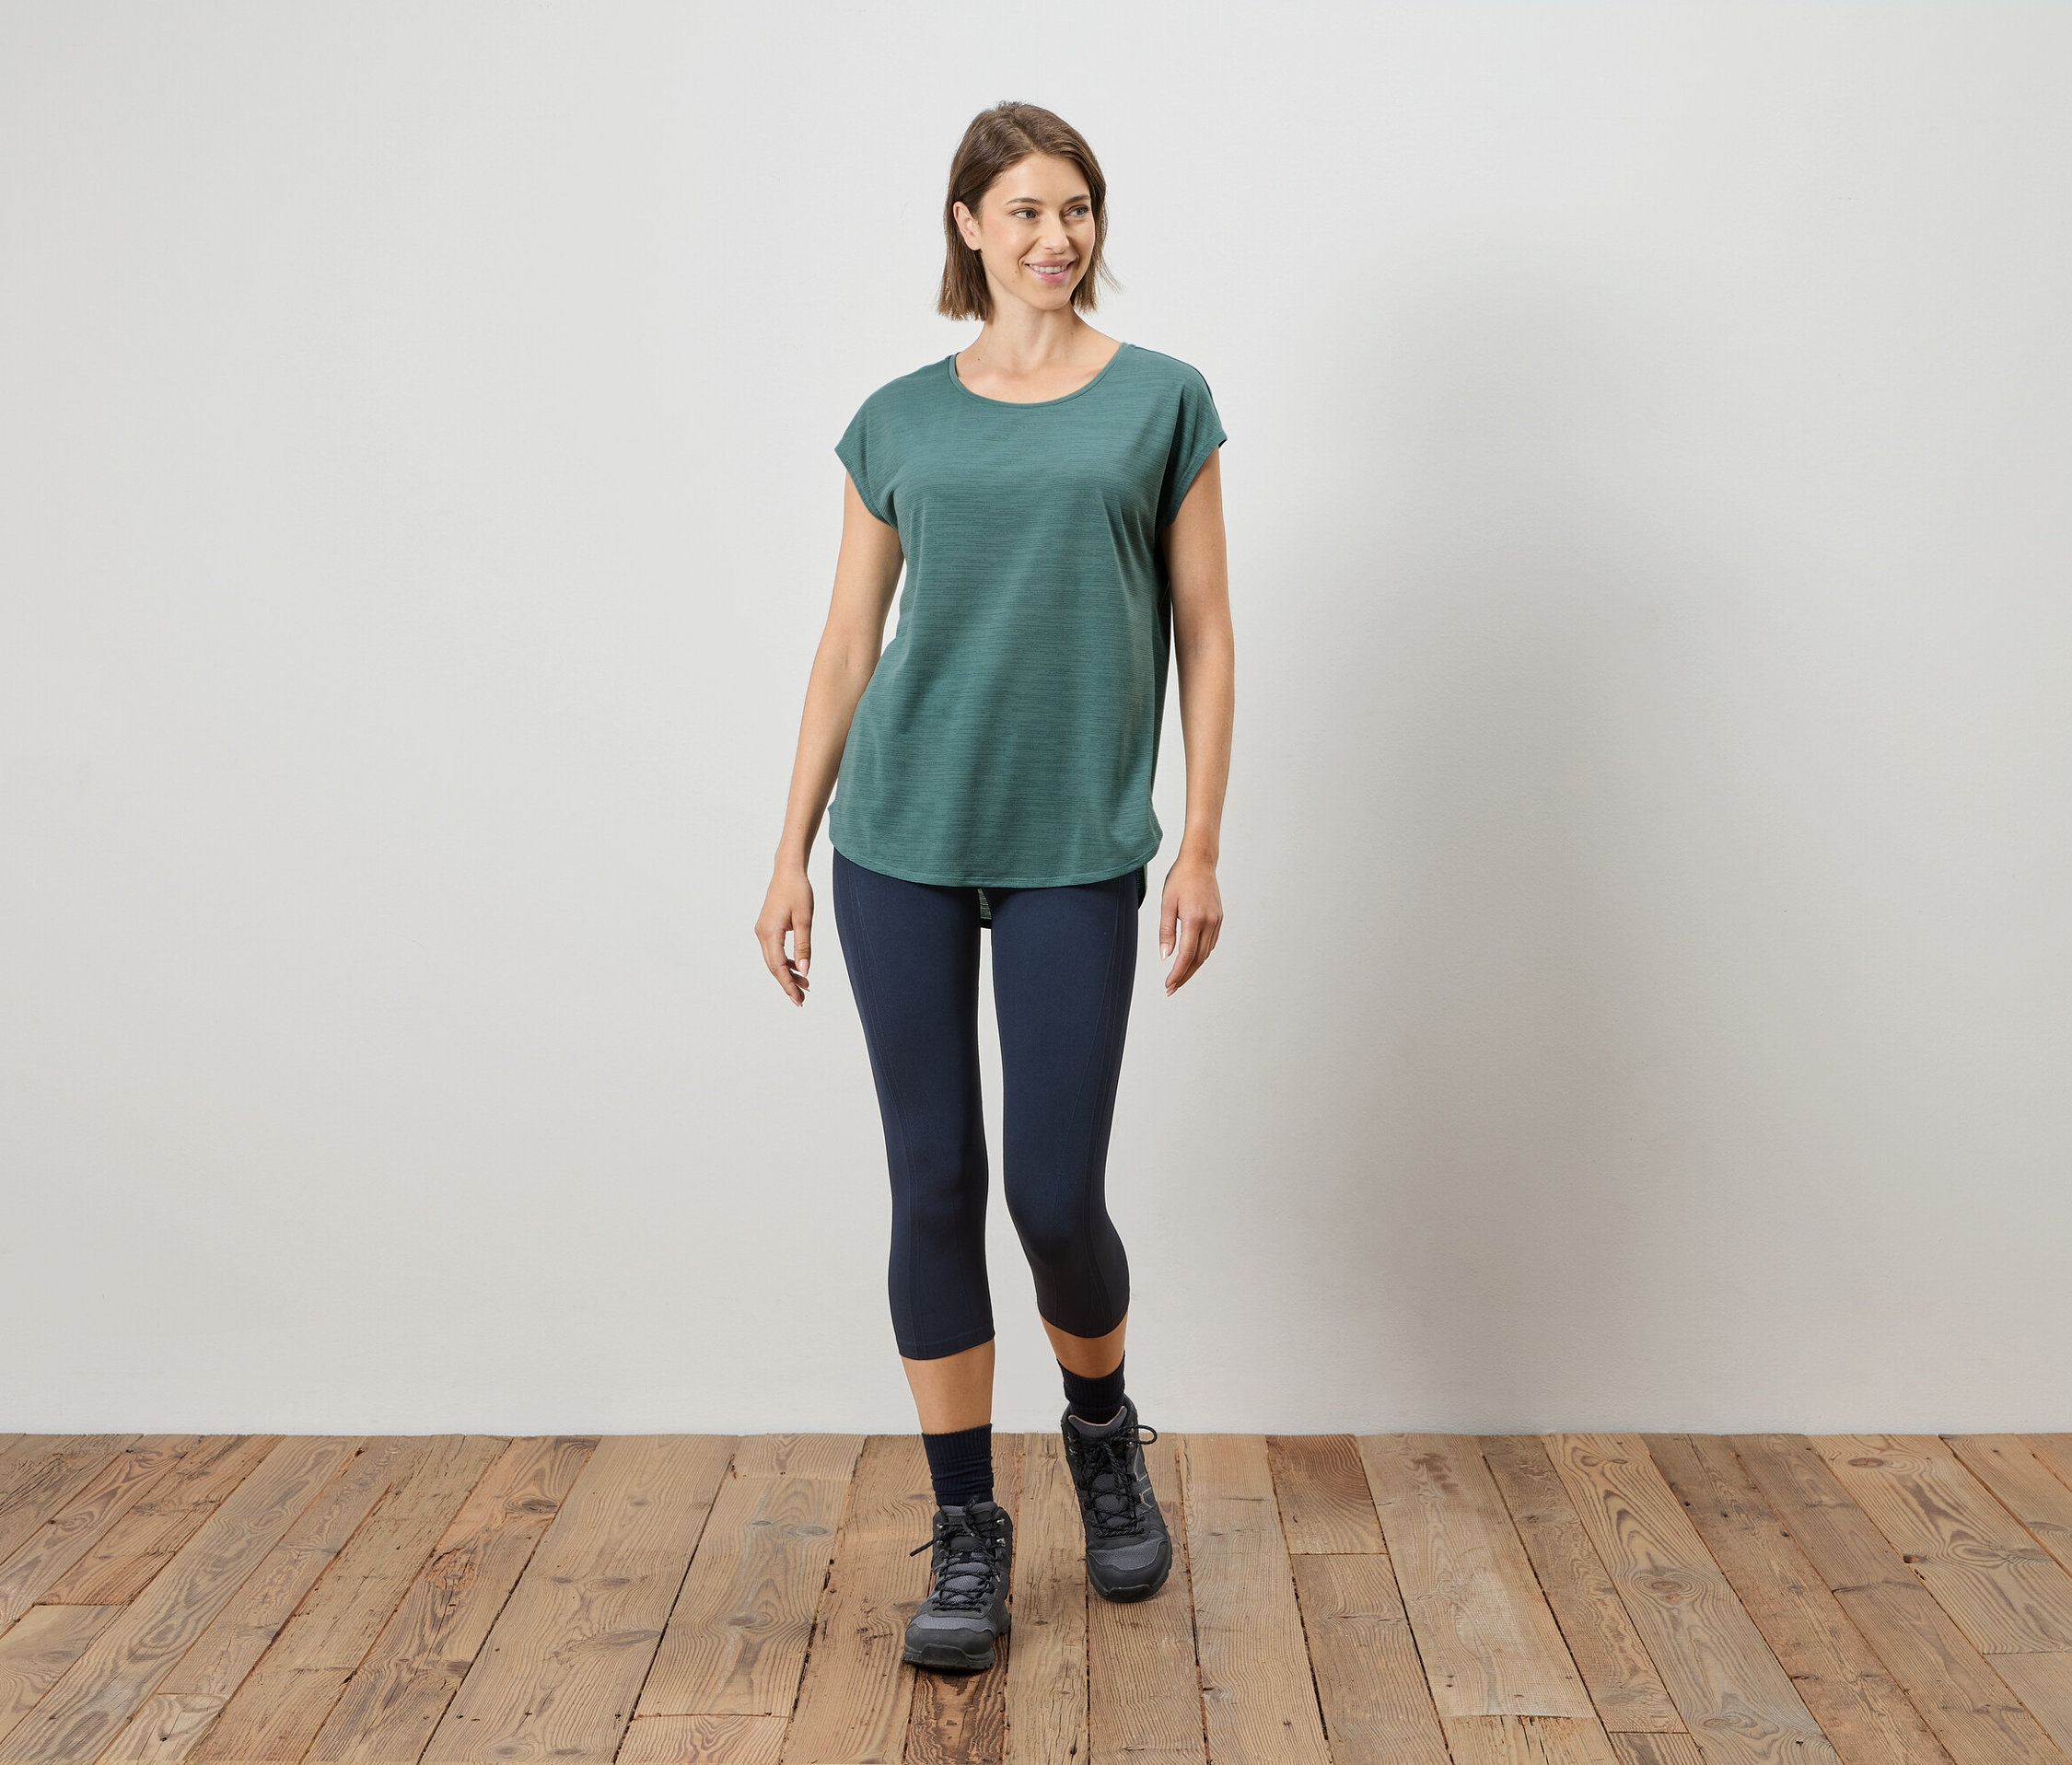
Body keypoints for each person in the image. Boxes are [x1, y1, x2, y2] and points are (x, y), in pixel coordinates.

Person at [754, 99, 1234, 1674]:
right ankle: (967, 1523)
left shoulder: (1161, 402)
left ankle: (1099, 1424)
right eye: (1022, 211)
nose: (1055, 238)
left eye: (1076, 209)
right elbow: (845, 645)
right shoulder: (897, 417)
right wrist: (786, 851)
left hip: (1073, 844)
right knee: (935, 1182)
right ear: (968, 226)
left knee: (1050, 1194)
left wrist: (1205, 840)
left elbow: (1208, 637)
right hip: (895, 834)